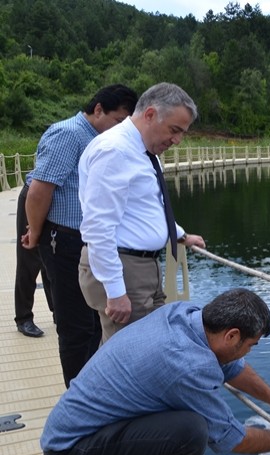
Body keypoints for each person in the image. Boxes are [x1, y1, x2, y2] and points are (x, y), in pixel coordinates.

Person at [40, 288, 270, 455]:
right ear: (232, 336)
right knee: (190, 431)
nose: (249, 351)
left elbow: (231, 364)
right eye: (251, 345)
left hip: (83, 435)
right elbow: (230, 438)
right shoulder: (189, 364)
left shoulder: (185, 314)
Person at [21, 84, 138, 387]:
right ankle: (77, 402)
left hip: (89, 242)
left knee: (94, 324)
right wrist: (34, 234)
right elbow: (38, 191)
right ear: (98, 109)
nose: (121, 129)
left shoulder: (100, 139)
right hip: (65, 241)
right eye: (118, 121)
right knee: (75, 327)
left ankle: (92, 393)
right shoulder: (69, 134)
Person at [78, 82, 205, 343]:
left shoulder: (146, 152)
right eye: (174, 130)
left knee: (148, 349)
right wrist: (115, 291)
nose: (177, 140)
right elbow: (98, 228)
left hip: (144, 267)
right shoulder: (115, 151)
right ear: (149, 114)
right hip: (124, 269)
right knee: (129, 359)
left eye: (183, 133)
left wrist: (179, 234)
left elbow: (148, 206)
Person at [14, 178, 53, 338]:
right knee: (28, 260)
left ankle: (57, 310)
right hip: (35, 196)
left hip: (54, 199)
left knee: (52, 258)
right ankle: (23, 317)